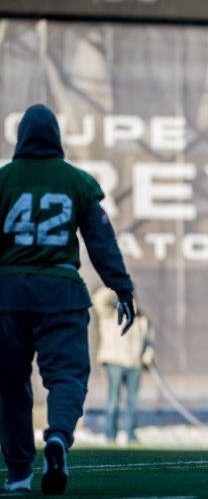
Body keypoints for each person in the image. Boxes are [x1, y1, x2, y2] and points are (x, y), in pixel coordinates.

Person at [0, 104, 135, 495]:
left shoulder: (4, 180)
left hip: (7, 294)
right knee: (68, 377)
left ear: (21, 136)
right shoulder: (77, 181)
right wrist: (122, 287)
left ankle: (19, 472)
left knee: (10, 386)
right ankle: (57, 437)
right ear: (56, 136)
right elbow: (101, 242)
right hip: (60, 292)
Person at [93, 287, 154, 445]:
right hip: (115, 362)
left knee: (133, 402)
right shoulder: (110, 313)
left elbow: (148, 342)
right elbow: (98, 299)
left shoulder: (142, 319)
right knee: (113, 399)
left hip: (134, 364)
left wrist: (148, 356)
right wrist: (115, 285)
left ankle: (131, 436)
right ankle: (110, 435)